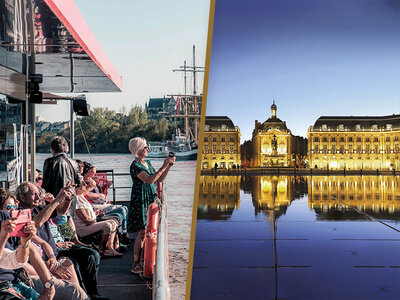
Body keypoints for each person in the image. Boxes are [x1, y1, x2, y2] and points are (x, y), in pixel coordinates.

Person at [127, 137, 175, 273]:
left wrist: (168, 167)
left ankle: (144, 260)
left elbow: (159, 178)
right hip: (140, 199)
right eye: (146, 147)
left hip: (150, 198)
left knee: (149, 231)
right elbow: (149, 180)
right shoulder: (135, 166)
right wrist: (163, 166)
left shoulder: (147, 162)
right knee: (142, 232)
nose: (148, 149)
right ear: (139, 150)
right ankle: (136, 263)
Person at [73, 182, 122, 257]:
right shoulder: (75, 199)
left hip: (89, 223)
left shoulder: (81, 197)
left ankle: (110, 248)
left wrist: (94, 213)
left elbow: (87, 213)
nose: (85, 185)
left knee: (113, 222)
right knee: (107, 225)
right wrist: (97, 220)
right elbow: (85, 219)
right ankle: (101, 250)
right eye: (83, 185)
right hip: (83, 228)